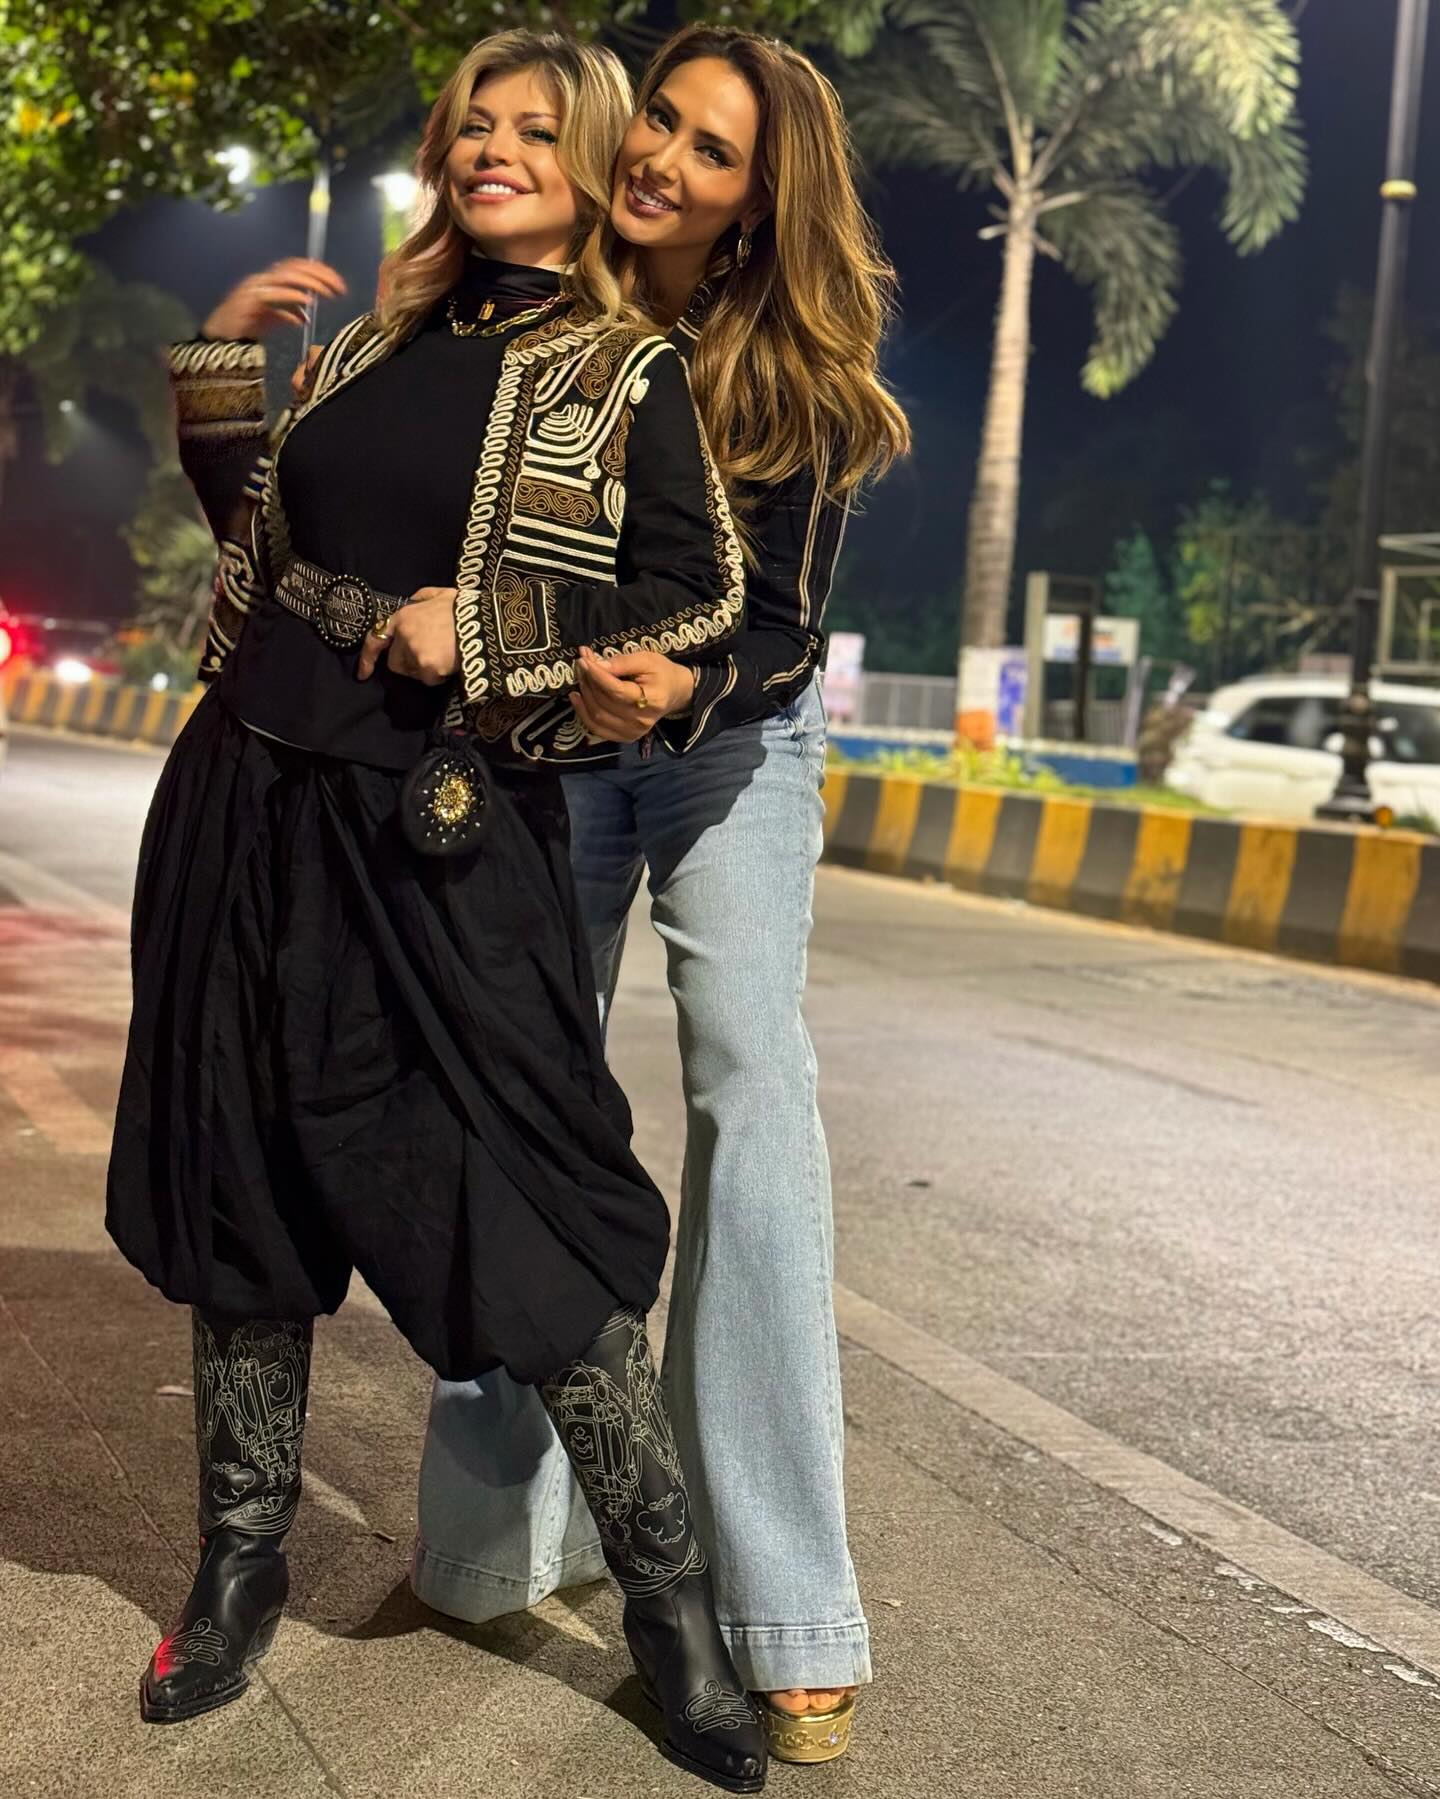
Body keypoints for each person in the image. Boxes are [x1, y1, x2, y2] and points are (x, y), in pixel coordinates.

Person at [105, 31, 769, 1792]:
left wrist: (472, 634)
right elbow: (258, 534)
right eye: (474, 123)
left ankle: (672, 1610)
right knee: (243, 1186)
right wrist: (222, 363)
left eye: (536, 129)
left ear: (595, 161)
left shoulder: (621, 369)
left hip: (443, 836)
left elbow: (698, 596)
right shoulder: (370, 345)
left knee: (521, 1208)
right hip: (248, 793)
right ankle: (240, 1562)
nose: (494, 148)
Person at [410, 25, 910, 1766]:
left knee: (750, 1079)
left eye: (713, 151)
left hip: (726, 746)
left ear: (759, 201)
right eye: (665, 125)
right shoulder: (542, 308)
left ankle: (787, 1607)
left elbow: (783, 630)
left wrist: (681, 685)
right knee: (522, 1093)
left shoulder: (801, 372)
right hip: (544, 742)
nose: (665, 162)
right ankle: (503, 1534)